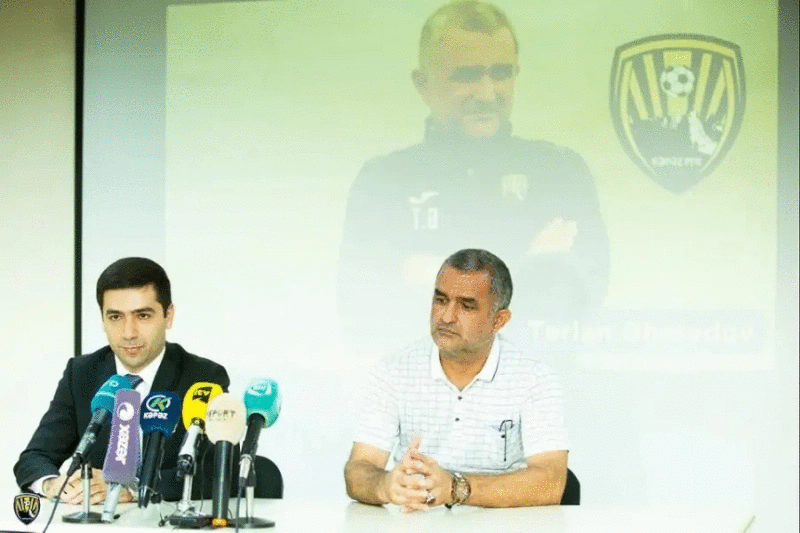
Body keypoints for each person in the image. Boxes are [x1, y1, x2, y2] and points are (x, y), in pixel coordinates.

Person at [337, 0, 609, 355]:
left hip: (530, 383)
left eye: (501, 73)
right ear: (423, 84)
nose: (487, 93)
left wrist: (433, 280)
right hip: (420, 385)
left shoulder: (560, 173)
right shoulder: (384, 183)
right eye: (466, 76)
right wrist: (531, 267)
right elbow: (363, 315)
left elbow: (578, 306)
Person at [344, 249, 568, 509]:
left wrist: (455, 488)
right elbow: (359, 469)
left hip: (504, 524)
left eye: (466, 306)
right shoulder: (395, 371)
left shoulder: (534, 378)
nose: (447, 317)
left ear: (499, 320)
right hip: (418, 522)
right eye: (441, 300)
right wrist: (384, 486)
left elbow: (552, 482)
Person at [14, 257, 230, 504]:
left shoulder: (203, 377)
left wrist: (134, 488)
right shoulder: (82, 374)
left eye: (143, 316)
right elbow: (34, 458)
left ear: (168, 315)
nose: (129, 333)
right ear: (103, 319)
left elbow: (217, 471)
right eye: (116, 317)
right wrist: (53, 485)